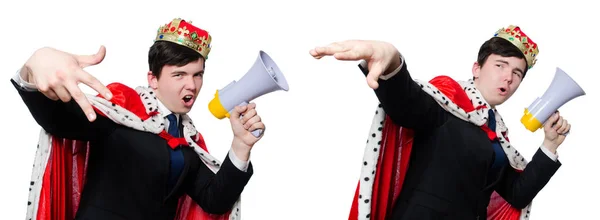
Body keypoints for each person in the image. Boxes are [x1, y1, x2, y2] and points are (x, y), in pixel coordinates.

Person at [11, 18, 265, 220]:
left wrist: (241, 145)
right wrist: (34, 65)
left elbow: (214, 200)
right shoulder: (121, 111)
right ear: (153, 79)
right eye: (179, 75)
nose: (192, 85)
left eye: (197, 75)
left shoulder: (187, 141)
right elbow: (56, 120)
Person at [310, 25, 571, 219]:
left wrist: (549, 145)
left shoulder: (497, 133)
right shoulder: (447, 101)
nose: (508, 78)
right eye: (500, 65)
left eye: (517, 73)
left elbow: (516, 194)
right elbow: (408, 104)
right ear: (477, 69)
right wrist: (392, 62)